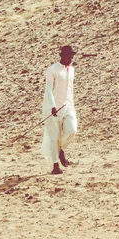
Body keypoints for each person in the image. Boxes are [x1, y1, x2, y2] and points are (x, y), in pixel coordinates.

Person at [41, 45, 78, 175]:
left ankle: (62, 149)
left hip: (68, 106)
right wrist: (52, 106)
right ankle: (55, 165)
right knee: (54, 137)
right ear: (62, 56)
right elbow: (48, 89)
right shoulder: (52, 70)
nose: (71, 58)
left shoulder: (72, 70)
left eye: (72, 56)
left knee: (72, 130)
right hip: (53, 109)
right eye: (69, 56)